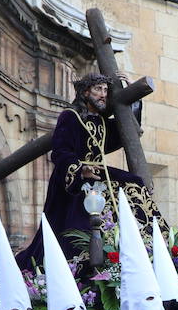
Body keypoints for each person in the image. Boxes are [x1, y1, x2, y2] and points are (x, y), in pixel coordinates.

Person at [16, 73, 150, 268]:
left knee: (134, 182)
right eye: (98, 90)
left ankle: (140, 240)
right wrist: (80, 169)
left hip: (97, 172)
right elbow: (60, 151)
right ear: (85, 92)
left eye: (105, 90)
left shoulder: (102, 122)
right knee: (72, 229)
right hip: (73, 179)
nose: (103, 95)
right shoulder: (70, 117)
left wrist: (134, 99)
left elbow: (123, 134)